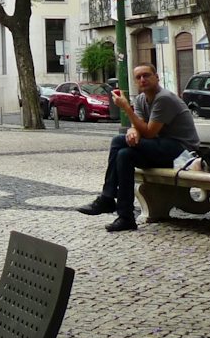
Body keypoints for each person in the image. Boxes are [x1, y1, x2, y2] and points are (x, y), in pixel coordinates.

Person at [76, 63, 200, 232]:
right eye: (138, 77)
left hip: (182, 153)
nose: (143, 79)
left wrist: (126, 108)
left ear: (157, 77)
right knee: (124, 155)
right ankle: (126, 217)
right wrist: (132, 131)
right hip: (160, 148)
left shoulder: (164, 98)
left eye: (147, 75)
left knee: (118, 141)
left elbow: (149, 132)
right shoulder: (142, 99)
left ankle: (107, 197)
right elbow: (139, 126)